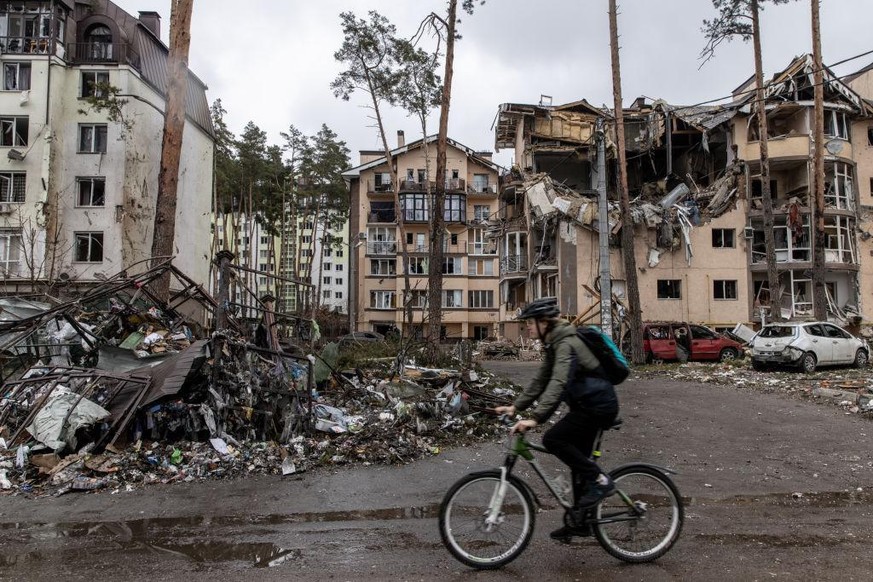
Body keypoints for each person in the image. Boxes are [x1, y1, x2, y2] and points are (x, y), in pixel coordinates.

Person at [495, 297, 620, 541]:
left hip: (598, 407)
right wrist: (515, 407)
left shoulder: (566, 344)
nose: (527, 327)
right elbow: (541, 380)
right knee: (578, 464)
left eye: (530, 323)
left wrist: (535, 418)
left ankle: (601, 481)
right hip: (586, 406)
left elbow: (558, 382)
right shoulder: (554, 344)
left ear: (544, 323)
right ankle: (580, 521)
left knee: (554, 439)